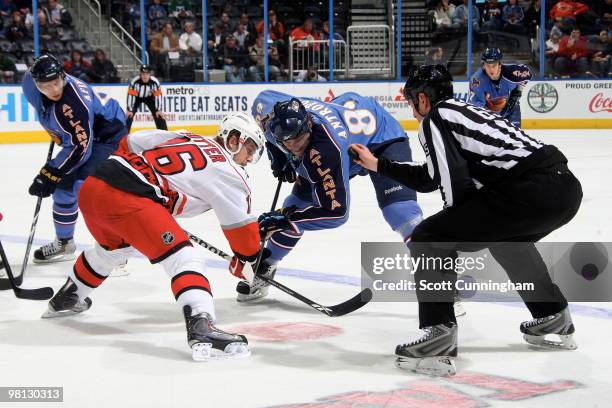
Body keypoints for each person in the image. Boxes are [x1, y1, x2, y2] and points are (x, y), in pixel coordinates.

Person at [349, 64, 581, 376]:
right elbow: (432, 176)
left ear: (422, 99)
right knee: (507, 242)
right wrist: (379, 165)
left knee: (428, 237)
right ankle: (553, 315)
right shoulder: (462, 110)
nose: (413, 110)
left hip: (531, 189)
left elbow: (453, 185)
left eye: (410, 103)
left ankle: (439, 335)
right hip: (563, 188)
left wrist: (449, 240)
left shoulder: (436, 118)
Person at [42, 114, 266, 362]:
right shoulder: (231, 173)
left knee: (113, 251)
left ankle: (68, 296)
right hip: (131, 201)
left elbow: (131, 142)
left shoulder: (187, 136)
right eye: (250, 149)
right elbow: (244, 236)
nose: (249, 159)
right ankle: (202, 328)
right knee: (185, 259)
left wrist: (148, 186)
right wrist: (245, 261)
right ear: (234, 139)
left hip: (95, 186)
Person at [236, 91, 423, 302]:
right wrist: (277, 154)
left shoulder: (324, 148)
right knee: (296, 204)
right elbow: (263, 96)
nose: (294, 146)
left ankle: (441, 279)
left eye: (299, 138)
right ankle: (266, 267)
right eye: (286, 142)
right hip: (344, 135)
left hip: (381, 139)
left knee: (400, 212)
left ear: (308, 123)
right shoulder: (270, 120)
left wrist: (285, 220)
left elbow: (337, 213)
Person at [22, 54, 127, 263]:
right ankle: (64, 243)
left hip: (107, 135)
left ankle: (117, 250)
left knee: (87, 187)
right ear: (36, 84)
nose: (54, 90)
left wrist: (49, 173)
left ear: (63, 76)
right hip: (83, 136)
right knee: (62, 189)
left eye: (56, 83)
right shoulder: (29, 83)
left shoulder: (73, 104)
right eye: (46, 86)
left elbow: (81, 149)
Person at [469, 48, 532, 126]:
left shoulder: (512, 72)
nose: (491, 69)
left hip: (511, 109)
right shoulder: (476, 80)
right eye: (488, 65)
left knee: (514, 135)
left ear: (499, 64)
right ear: (484, 65)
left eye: (494, 65)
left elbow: (528, 73)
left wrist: (519, 90)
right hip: (489, 113)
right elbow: (476, 109)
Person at [125, 65, 167, 134]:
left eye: (147, 74)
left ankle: (165, 134)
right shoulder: (134, 82)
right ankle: (124, 136)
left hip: (149, 98)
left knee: (159, 115)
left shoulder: (155, 82)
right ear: (140, 74)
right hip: (137, 98)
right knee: (129, 115)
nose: (145, 76)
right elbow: (131, 95)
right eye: (143, 74)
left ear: (150, 74)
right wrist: (129, 110)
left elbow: (158, 96)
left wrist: (158, 110)